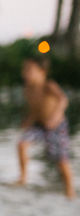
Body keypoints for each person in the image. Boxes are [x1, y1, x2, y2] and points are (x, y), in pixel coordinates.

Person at [17, 56, 75, 200]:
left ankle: (70, 190)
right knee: (22, 144)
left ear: (42, 72)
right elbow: (34, 109)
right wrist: (28, 121)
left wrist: (56, 116)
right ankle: (23, 178)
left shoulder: (48, 85)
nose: (25, 73)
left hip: (57, 126)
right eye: (24, 70)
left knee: (61, 159)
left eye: (29, 70)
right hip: (39, 126)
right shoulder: (28, 90)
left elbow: (63, 100)